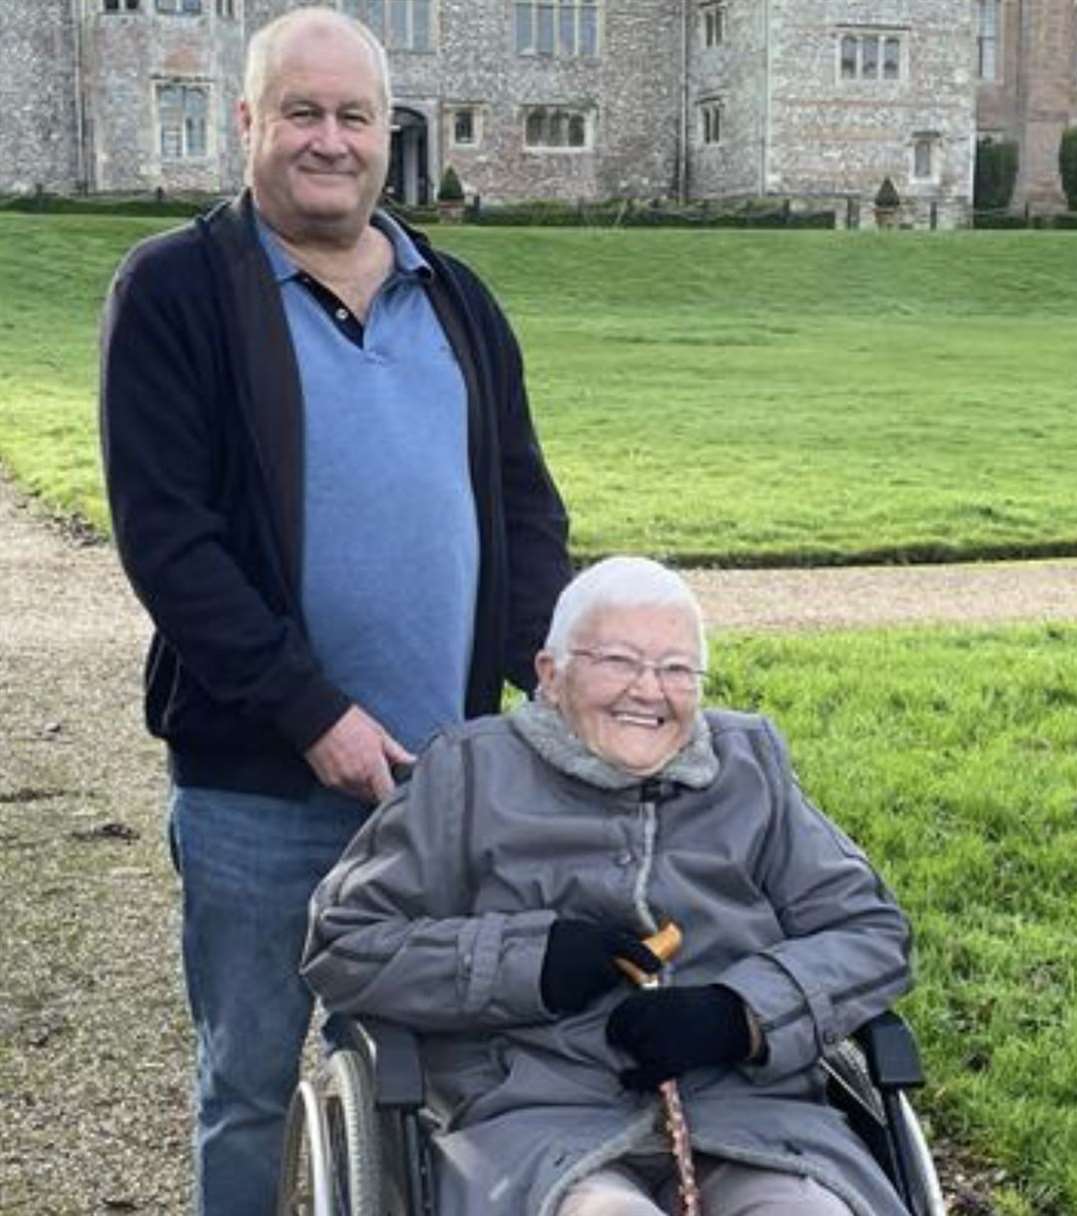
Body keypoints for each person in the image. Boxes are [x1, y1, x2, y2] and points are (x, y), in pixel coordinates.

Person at [99, 8, 570, 1214]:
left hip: (434, 784)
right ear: (249, 123)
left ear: (384, 130)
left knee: (427, 1081)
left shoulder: (456, 296)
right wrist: (315, 713)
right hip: (258, 787)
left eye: (353, 115)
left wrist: (559, 673)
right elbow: (171, 541)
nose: (329, 139)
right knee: (250, 1086)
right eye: (300, 112)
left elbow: (521, 506)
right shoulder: (175, 289)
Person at [302, 556, 915, 1216]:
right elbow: (343, 943)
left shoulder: (750, 769)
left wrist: (740, 1015)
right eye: (618, 661)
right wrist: (528, 963)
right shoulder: (468, 775)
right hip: (533, 1117)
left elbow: (871, 931)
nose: (649, 691)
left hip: (750, 1116)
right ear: (550, 673)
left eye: (676, 669)